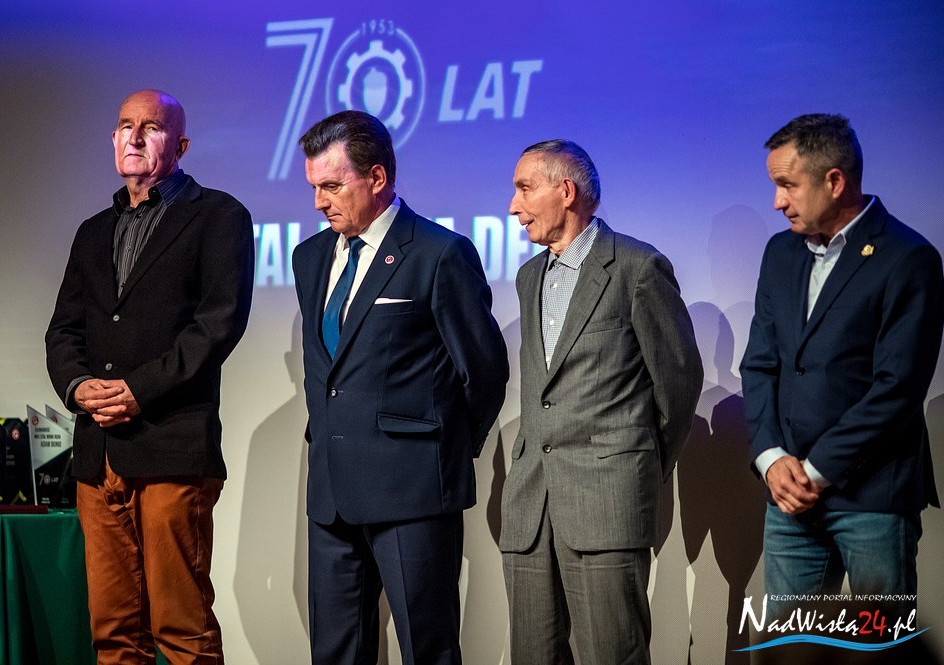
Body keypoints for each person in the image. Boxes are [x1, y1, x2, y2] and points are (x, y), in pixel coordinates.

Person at [45, 89, 254, 664]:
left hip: (171, 448)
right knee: (114, 634)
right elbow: (64, 329)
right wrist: (79, 387)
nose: (134, 137)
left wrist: (138, 391)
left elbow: (218, 325)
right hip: (98, 455)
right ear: (112, 139)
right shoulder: (93, 231)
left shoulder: (218, 216)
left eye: (151, 127)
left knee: (181, 629)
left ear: (180, 145)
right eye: (125, 126)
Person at [291, 110, 508, 665]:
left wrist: (440, 450)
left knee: (427, 650)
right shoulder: (309, 258)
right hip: (331, 497)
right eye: (314, 187)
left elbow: (484, 371)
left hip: (413, 494)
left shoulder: (439, 253)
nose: (318, 202)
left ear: (378, 177)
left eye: (332, 186)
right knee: (335, 654)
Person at [500, 140, 703, 665]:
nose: (513, 206)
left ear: (565, 191)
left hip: (607, 502)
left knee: (612, 654)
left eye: (524, 189)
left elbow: (678, 382)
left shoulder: (637, 267)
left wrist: (632, 463)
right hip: (530, 506)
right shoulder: (528, 276)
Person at [741, 113, 943, 601]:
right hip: (787, 500)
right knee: (787, 641)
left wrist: (813, 473)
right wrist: (771, 460)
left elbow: (897, 389)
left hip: (872, 497)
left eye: (787, 185)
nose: (777, 202)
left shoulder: (908, 258)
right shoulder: (779, 253)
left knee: (880, 640)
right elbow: (760, 364)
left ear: (834, 182)